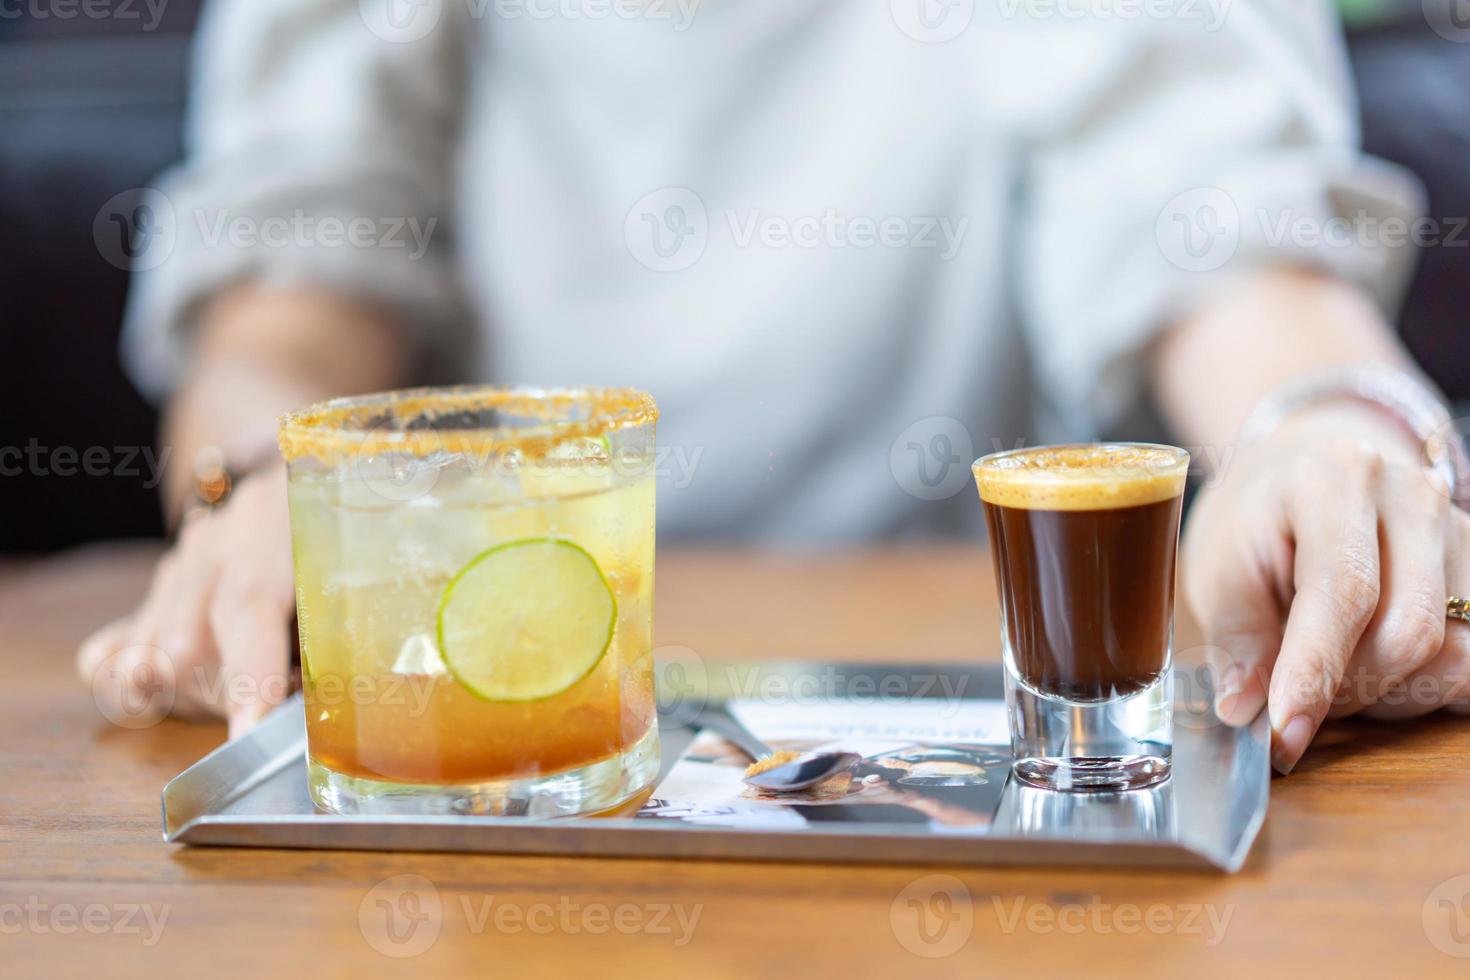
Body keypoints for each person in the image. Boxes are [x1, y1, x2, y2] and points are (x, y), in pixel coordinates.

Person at [78, 1, 1470, 776]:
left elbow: (1224, 245)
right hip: (482, 709)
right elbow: (296, 295)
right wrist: (269, 491)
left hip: (971, 709)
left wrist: (1326, 430)